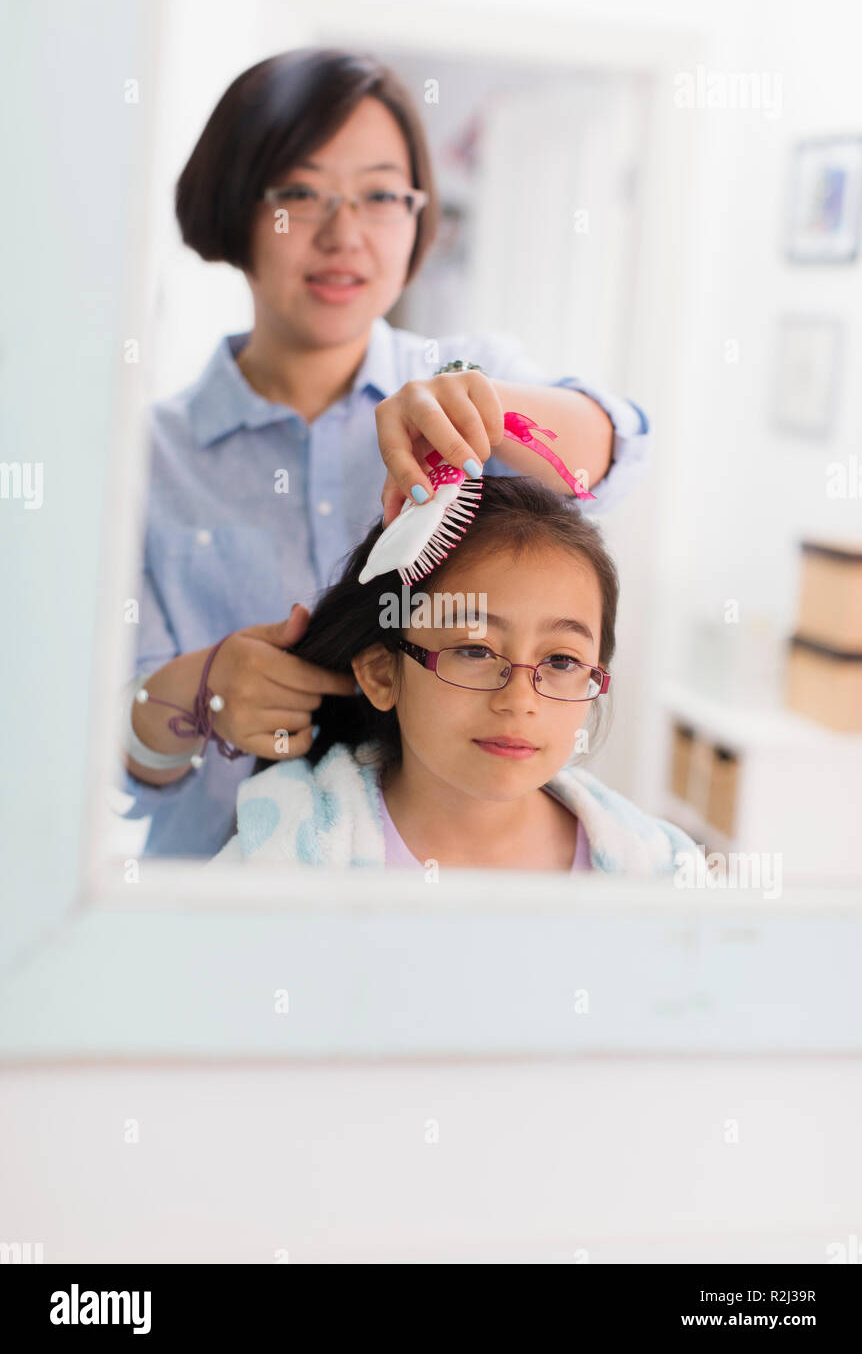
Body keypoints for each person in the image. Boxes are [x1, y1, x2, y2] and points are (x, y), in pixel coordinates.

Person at [119, 47, 651, 859]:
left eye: (379, 195)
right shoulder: (144, 460)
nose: (344, 235)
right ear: (233, 205)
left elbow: (613, 454)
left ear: (418, 215)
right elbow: (124, 755)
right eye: (300, 193)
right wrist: (203, 693)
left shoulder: (478, 377)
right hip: (220, 901)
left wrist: (490, 406)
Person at [210, 477, 700, 876]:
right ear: (382, 674)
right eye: (474, 649)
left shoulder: (652, 871)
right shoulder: (282, 856)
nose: (519, 700)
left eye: (561, 662)